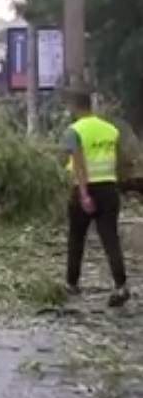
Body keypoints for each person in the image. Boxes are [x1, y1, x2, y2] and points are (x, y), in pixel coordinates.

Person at [63, 90, 130, 307]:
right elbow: (120, 161)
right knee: (110, 238)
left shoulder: (74, 131)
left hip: (85, 189)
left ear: (75, 106)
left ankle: (72, 283)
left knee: (76, 238)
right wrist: (118, 184)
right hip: (109, 188)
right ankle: (121, 286)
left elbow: (79, 163)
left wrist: (83, 194)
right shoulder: (111, 130)